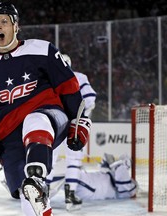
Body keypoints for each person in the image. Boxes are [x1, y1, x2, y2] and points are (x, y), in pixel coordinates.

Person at [0, 2, 92, 216]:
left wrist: (78, 120)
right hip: (9, 135)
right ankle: (37, 189)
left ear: (16, 26)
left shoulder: (42, 49)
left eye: (4, 22)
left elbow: (69, 88)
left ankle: (37, 177)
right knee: (27, 196)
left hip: (49, 117)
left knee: (34, 120)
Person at [46, 54, 97, 211]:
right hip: (74, 125)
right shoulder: (79, 77)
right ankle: (70, 195)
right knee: (73, 159)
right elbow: (90, 100)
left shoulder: (48, 79)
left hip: (54, 123)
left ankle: (43, 194)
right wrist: (81, 118)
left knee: (49, 158)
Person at [47, 153, 138, 201]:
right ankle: (43, 187)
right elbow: (110, 168)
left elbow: (121, 175)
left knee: (65, 171)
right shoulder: (119, 176)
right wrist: (108, 163)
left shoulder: (130, 187)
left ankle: (41, 187)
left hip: (90, 187)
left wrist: (119, 163)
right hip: (89, 184)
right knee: (64, 170)